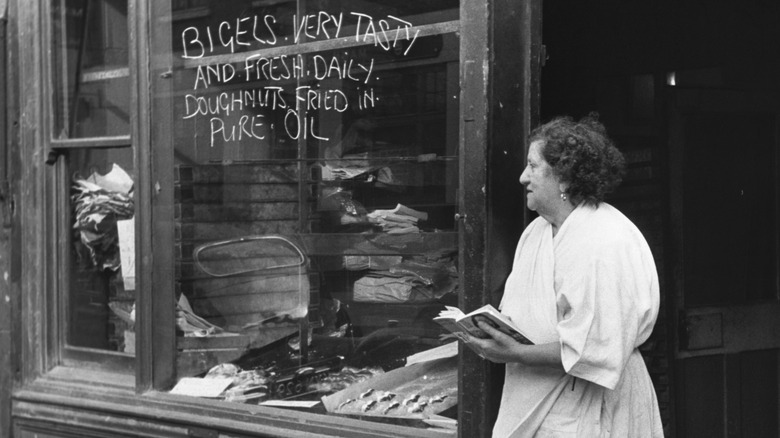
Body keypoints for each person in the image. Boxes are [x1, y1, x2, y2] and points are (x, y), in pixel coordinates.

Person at [462, 114, 664, 437]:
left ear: (565, 178)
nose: (522, 178)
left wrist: (514, 353)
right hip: (538, 395)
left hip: (592, 399)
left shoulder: (603, 240)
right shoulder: (535, 233)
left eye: (532, 166)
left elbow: (593, 347)